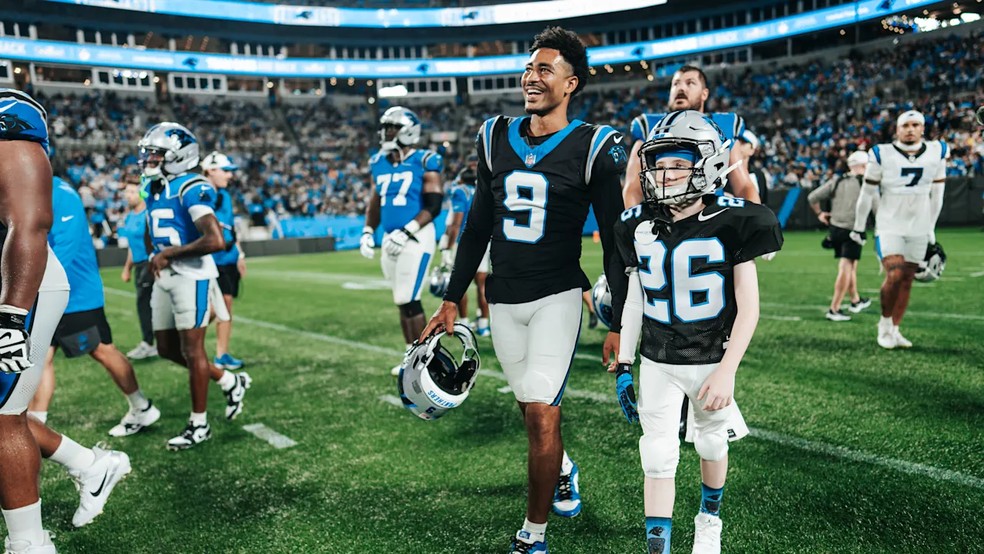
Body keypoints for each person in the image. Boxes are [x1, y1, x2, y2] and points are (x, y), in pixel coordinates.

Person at [421, 27, 629, 553]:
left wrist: (620, 324)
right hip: (504, 300)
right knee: (532, 411)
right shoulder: (493, 136)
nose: (531, 78)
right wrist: (451, 297)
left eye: (545, 70)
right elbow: (476, 226)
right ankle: (564, 469)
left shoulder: (596, 146)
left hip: (558, 295)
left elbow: (613, 242)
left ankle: (533, 536)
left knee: (540, 411)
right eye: (530, 68)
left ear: (572, 83)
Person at [610, 110, 782, 554]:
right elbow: (633, 301)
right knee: (657, 454)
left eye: (678, 164)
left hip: (709, 357)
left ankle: (710, 518)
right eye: (659, 164)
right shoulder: (637, 224)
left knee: (709, 442)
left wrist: (728, 371)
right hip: (657, 359)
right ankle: (659, 545)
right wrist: (624, 364)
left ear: (707, 164)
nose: (665, 174)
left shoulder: (737, 220)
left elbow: (749, 307)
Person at [0, 88, 129, 553]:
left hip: (19, 286)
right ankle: (89, 465)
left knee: (3, 417)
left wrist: (11, 316)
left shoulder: (8, 120)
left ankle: (29, 543)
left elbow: (29, 223)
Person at [139, 122, 252, 450]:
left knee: (193, 350)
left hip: (193, 276)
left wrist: (170, 253)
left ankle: (199, 424)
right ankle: (230, 380)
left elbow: (215, 239)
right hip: (167, 275)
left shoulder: (193, 186)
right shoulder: (157, 187)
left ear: (178, 156)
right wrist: (154, 253)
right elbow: (153, 225)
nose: (150, 159)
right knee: (166, 348)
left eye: (157, 154)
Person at [27, 176, 161, 437]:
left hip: (75, 292)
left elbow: (66, 246)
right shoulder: (29, 187)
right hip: (45, 291)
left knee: (101, 350)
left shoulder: (60, 192)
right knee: (41, 357)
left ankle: (141, 406)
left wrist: (31, 287)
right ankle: (36, 426)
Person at [852, 110, 948, 349]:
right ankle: (884, 324)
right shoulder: (881, 153)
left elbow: (938, 194)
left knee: (907, 279)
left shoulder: (938, 151)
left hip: (919, 225)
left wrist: (930, 228)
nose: (910, 129)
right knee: (895, 274)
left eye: (916, 124)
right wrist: (858, 227)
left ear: (923, 128)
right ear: (897, 129)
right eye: (906, 125)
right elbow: (867, 193)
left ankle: (895, 328)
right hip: (889, 225)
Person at [360, 106, 444, 376]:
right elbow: (376, 201)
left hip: (416, 236)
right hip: (391, 238)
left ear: (408, 130)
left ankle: (428, 359)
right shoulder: (378, 162)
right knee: (401, 300)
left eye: (391, 128)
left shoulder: (425, 160)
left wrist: (407, 230)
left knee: (410, 297)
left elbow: (434, 205)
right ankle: (411, 353)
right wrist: (367, 231)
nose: (386, 133)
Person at [623, 65, 761, 207]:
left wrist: (757, 222)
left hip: (711, 219)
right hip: (666, 220)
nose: (681, 88)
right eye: (676, 84)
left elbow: (744, 186)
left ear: (704, 94)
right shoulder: (649, 127)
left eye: (690, 83)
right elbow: (633, 190)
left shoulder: (723, 127)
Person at [808, 151, 874, 321]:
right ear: (864, 165)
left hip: (835, 229)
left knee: (851, 266)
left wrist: (820, 214)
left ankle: (855, 300)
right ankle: (834, 309)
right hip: (853, 230)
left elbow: (812, 197)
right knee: (846, 267)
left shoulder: (838, 180)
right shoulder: (866, 182)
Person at [200, 151, 247, 370]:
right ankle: (190, 337)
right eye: (225, 171)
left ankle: (222, 354)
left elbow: (231, 229)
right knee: (221, 306)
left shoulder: (225, 196)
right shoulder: (201, 194)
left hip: (228, 257)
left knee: (225, 306)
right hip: (213, 259)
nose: (229, 176)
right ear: (210, 170)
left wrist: (240, 254)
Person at [437, 154, 490, 336]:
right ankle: (483, 325)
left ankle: (465, 322)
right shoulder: (486, 188)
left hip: (465, 241)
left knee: (461, 283)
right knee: (482, 284)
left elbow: (456, 223)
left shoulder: (460, 191)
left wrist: (447, 246)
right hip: (485, 239)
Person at [118, 178, 158, 359]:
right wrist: (127, 268)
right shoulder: (129, 217)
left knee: (147, 305)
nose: (128, 195)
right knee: (144, 305)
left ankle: (149, 343)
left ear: (142, 194)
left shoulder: (149, 214)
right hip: (139, 267)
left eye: (132, 192)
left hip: (151, 265)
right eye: (127, 192)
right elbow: (132, 247)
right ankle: (150, 342)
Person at [735, 129, 770, 206]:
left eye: (743, 142)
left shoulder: (758, 174)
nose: (738, 144)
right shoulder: (724, 172)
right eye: (736, 141)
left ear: (752, 150)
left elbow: (763, 202)